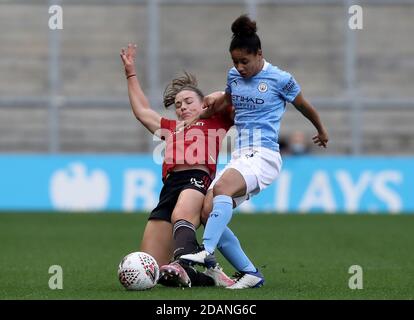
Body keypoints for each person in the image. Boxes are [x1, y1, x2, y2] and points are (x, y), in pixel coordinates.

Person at [180, 15, 329, 289]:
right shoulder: (234, 76)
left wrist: (320, 129)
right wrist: (209, 105)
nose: (239, 67)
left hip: (264, 155)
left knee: (223, 187)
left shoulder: (280, 79)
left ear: (259, 54)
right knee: (206, 209)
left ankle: (206, 251)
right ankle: (250, 274)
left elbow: (304, 105)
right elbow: (227, 99)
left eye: (244, 61)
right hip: (241, 155)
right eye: (235, 61)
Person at [120, 43, 237, 288]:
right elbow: (142, 111)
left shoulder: (216, 121)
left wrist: (215, 97)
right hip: (170, 186)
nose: (182, 107)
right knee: (156, 270)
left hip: (196, 178)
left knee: (181, 214)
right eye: (178, 105)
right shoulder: (171, 129)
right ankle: (209, 279)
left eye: (188, 101)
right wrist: (130, 72)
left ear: (202, 102)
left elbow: (231, 96)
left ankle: (199, 261)